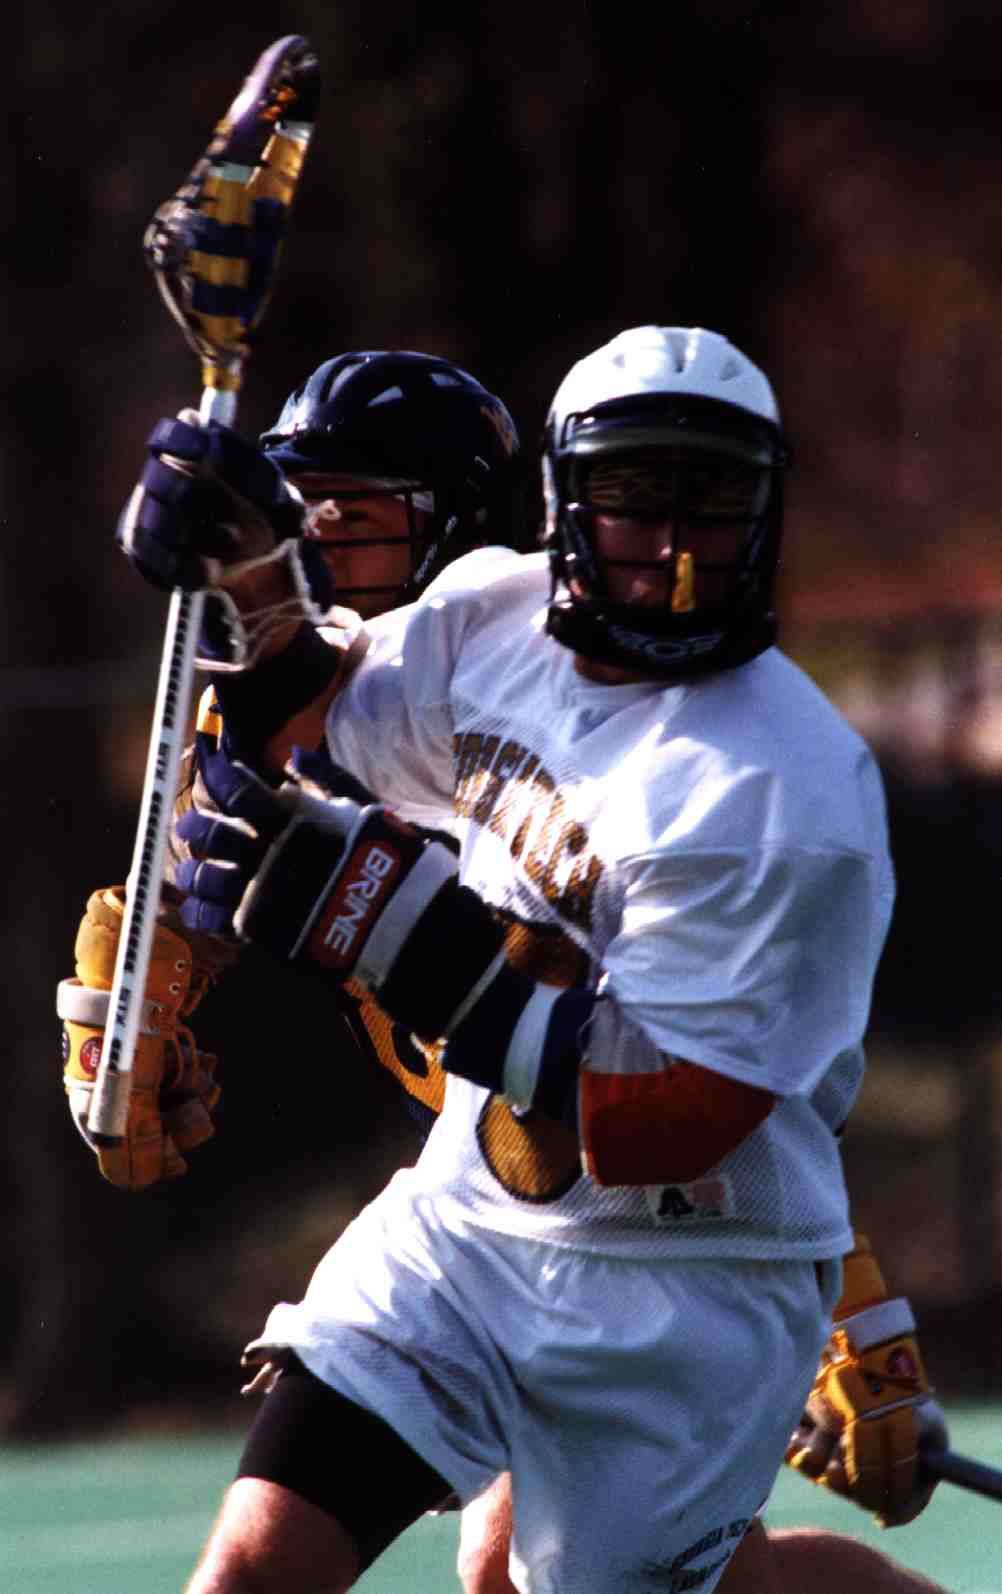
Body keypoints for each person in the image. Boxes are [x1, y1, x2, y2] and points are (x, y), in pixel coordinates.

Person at [80, 329, 947, 1594]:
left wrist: (401, 934)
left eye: (711, 499)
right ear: (563, 502)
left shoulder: (780, 794)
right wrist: (247, 576)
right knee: (252, 1569)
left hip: (683, 1282)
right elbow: (306, 716)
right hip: (468, 1225)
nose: (673, 539)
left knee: (524, 1578)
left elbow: (661, 1128)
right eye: (634, 494)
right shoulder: (494, 618)